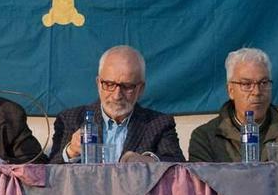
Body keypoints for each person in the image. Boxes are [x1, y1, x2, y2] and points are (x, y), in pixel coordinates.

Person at [49, 45, 185, 163]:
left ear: (141, 89)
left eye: (127, 87)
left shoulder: (159, 124)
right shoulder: (71, 120)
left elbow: (179, 166)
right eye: (109, 84)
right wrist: (71, 151)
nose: (117, 95)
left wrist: (148, 161)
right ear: (98, 83)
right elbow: (47, 172)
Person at [188, 47, 278, 162]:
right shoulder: (205, 138)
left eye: (263, 83)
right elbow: (200, 185)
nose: (257, 92)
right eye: (247, 85)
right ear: (230, 91)